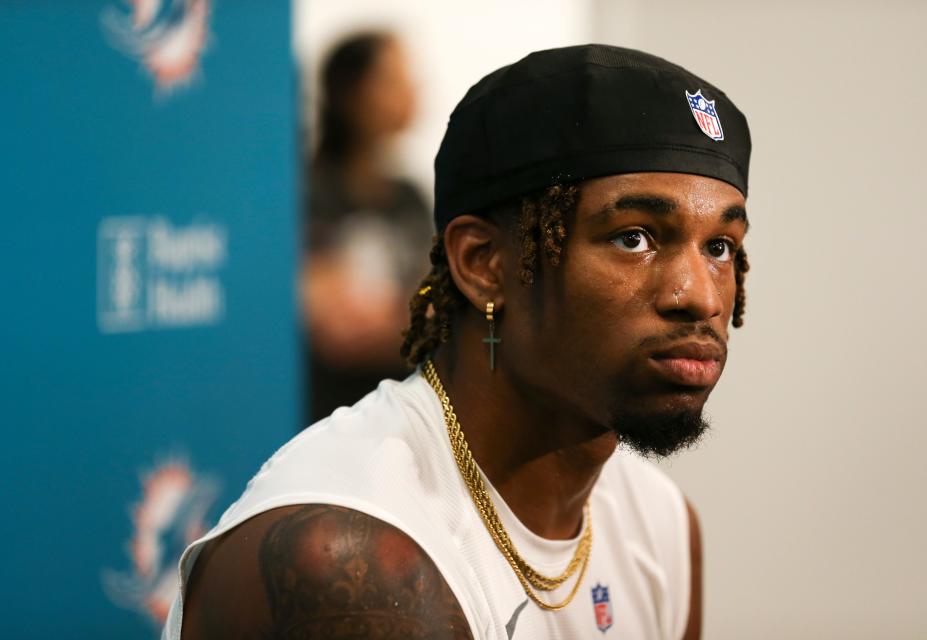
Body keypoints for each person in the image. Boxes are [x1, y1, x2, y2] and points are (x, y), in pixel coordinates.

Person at [164, 44, 752, 639]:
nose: (700, 296)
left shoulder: (661, 522)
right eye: (634, 237)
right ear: (483, 263)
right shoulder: (352, 559)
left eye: (720, 246)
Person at [302, 31, 432, 423]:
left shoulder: (409, 195)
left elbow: (437, 310)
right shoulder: (311, 192)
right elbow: (337, 330)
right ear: (350, 93)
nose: (412, 90)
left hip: (403, 408)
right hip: (327, 412)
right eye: (392, 78)